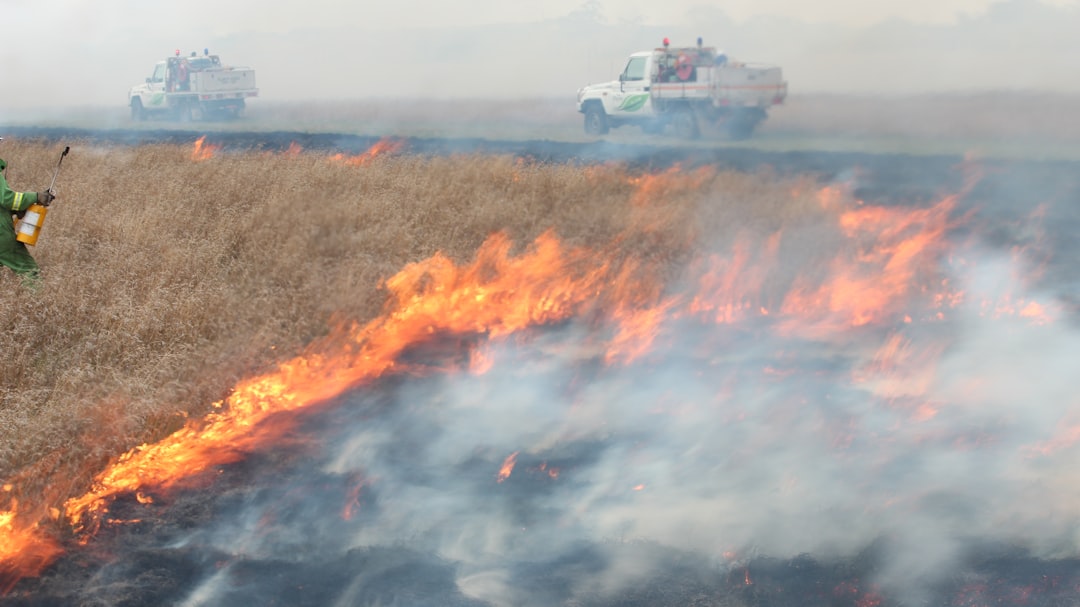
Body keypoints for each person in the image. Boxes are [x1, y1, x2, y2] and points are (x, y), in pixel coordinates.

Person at [1, 155, 55, 279]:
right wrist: (36, 197)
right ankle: (36, 298)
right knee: (30, 271)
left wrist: (15, 210)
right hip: (1, 236)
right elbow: (8, 199)